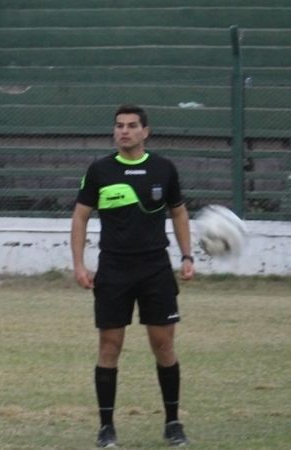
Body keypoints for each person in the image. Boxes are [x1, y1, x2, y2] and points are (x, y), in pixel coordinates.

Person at [70, 105, 194, 448]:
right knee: (109, 347)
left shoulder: (163, 169)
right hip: (113, 270)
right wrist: (79, 264)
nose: (124, 131)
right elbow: (80, 217)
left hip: (155, 268)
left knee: (164, 345)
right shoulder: (99, 170)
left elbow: (179, 213)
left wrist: (186, 256)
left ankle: (173, 424)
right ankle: (106, 428)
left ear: (145, 131)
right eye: (119, 126)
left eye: (132, 126)